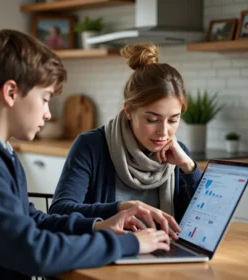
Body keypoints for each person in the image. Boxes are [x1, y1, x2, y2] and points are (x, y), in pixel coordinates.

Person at [0, 29, 171, 279]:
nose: (48, 113)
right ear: (10, 92)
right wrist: (127, 243)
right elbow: (33, 251)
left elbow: (29, 220)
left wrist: (97, 226)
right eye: (44, 98)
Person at [49, 43, 203, 238]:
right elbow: (59, 211)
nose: (163, 132)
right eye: (152, 120)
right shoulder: (91, 146)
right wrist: (123, 208)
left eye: (173, 120)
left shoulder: (178, 154)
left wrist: (189, 168)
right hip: (105, 254)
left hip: (164, 254)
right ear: (129, 110)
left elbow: (203, 222)